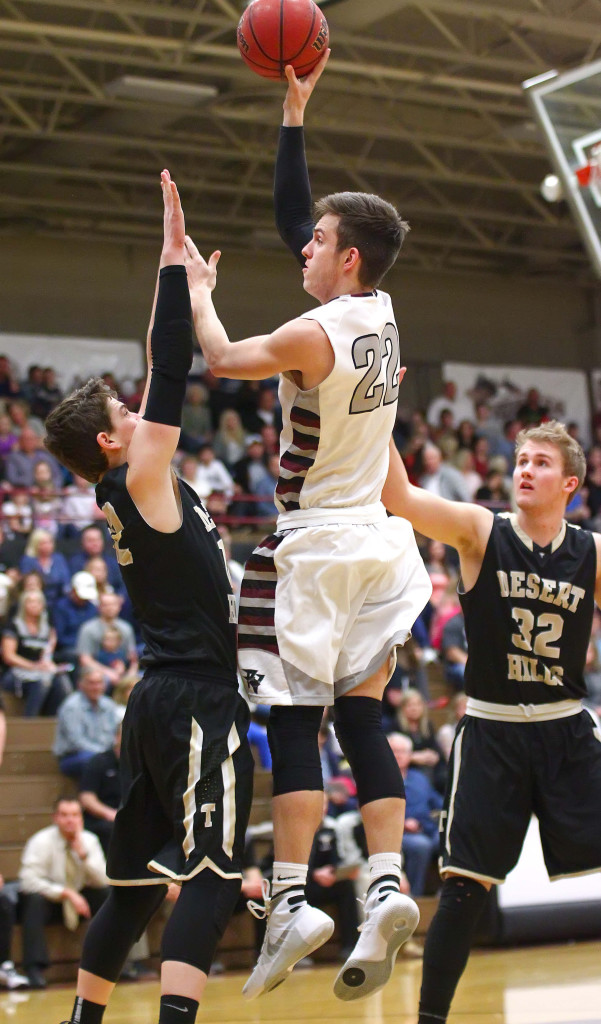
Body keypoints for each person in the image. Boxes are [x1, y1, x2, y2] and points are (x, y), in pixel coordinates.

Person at [184, 53, 431, 1003]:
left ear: (348, 259)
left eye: (319, 243)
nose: (303, 247)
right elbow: (300, 218)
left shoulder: (306, 335)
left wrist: (198, 287)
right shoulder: (381, 310)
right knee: (364, 719)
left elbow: (219, 357)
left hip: (316, 546)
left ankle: (289, 900)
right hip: (381, 544)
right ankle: (381, 883)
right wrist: (293, 114)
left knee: (292, 723)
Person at [44, 169, 253, 1024]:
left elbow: (150, 367)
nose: (137, 411)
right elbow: (167, 370)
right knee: (211, 878)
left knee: (130, 893)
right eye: (123, 414)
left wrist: (178, 278)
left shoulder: (121, 486)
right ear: (109, 441)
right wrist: (172, 265)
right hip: (198, 698)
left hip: (152, 705)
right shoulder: (146, 475)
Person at [381, 419, 601, 1024]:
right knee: (463, 887)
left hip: (565, 729)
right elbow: (398, 497)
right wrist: (371, 401)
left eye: (541, 463)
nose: (525, 469)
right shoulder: (482, 529)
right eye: (521, 459)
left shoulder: (591, 551)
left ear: (571, 483)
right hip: (493, 731)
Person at [19, 797, 109, 990]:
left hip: (81, 901)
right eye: (64, 815)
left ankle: (107, 964)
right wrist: (65, 893)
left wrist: (83, 856)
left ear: (81, 819)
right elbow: (27, 880)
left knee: (107, 895)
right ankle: (34, 969)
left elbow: (103, 879)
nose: (70, 820)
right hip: (52, 901)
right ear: (55, 818)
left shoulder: (90, 840)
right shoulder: (40, 841)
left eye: (75, 815)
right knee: (32, 900)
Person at [387, 734, 442, 897]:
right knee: (421, 846)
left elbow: (436, 801)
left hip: (426, 828)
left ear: (410, 755)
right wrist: (403, 823)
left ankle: (446, 892)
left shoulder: (420, 778)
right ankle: (413, 896)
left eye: (403, 751)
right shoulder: (381, 778)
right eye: (394, 751)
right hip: (397, 833)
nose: (399, 755)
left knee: (449, 838)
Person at [1, 589, 71, 716]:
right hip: (15, 672)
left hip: (39, 669)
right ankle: (30, 721)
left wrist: (47, 664)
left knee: (61, 682)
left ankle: (53, 721)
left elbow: (48, 652)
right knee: (42, 682)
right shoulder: (13, 626)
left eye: (38, 602)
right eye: (30, 602)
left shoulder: (48, 628)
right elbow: (9, 656)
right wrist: (33, 666)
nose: (34, 605)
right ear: (23, 604)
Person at [53, 668, 122, 779]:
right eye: (91, 683)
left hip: (104, 753)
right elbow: (77, 741)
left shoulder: (109, 705)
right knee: (95, 761)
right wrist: (105, 755)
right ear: (80, 685)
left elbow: (114, 735)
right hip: (74, 756)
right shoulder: (71, 707)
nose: (96, 687)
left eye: (99, 683)